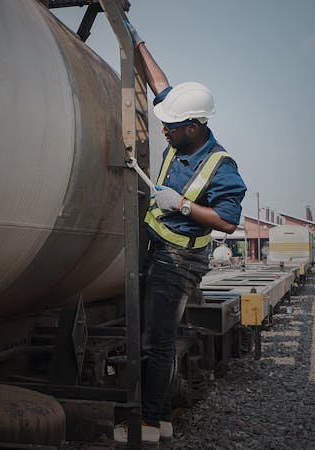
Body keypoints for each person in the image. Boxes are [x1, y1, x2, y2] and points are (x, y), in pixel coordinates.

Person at [113, 19, 248, 443]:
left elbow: (228, 220)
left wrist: (185, 205)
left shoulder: (220, 166)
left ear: (195, 126)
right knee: (146, 334)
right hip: (156, 246)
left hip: (180, 259)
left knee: (157, 341)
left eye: (171, 127)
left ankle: (151, 423)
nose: (164, 131)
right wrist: (136, 40)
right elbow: (160, 83)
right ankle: (159, 417)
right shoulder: (182, 130)